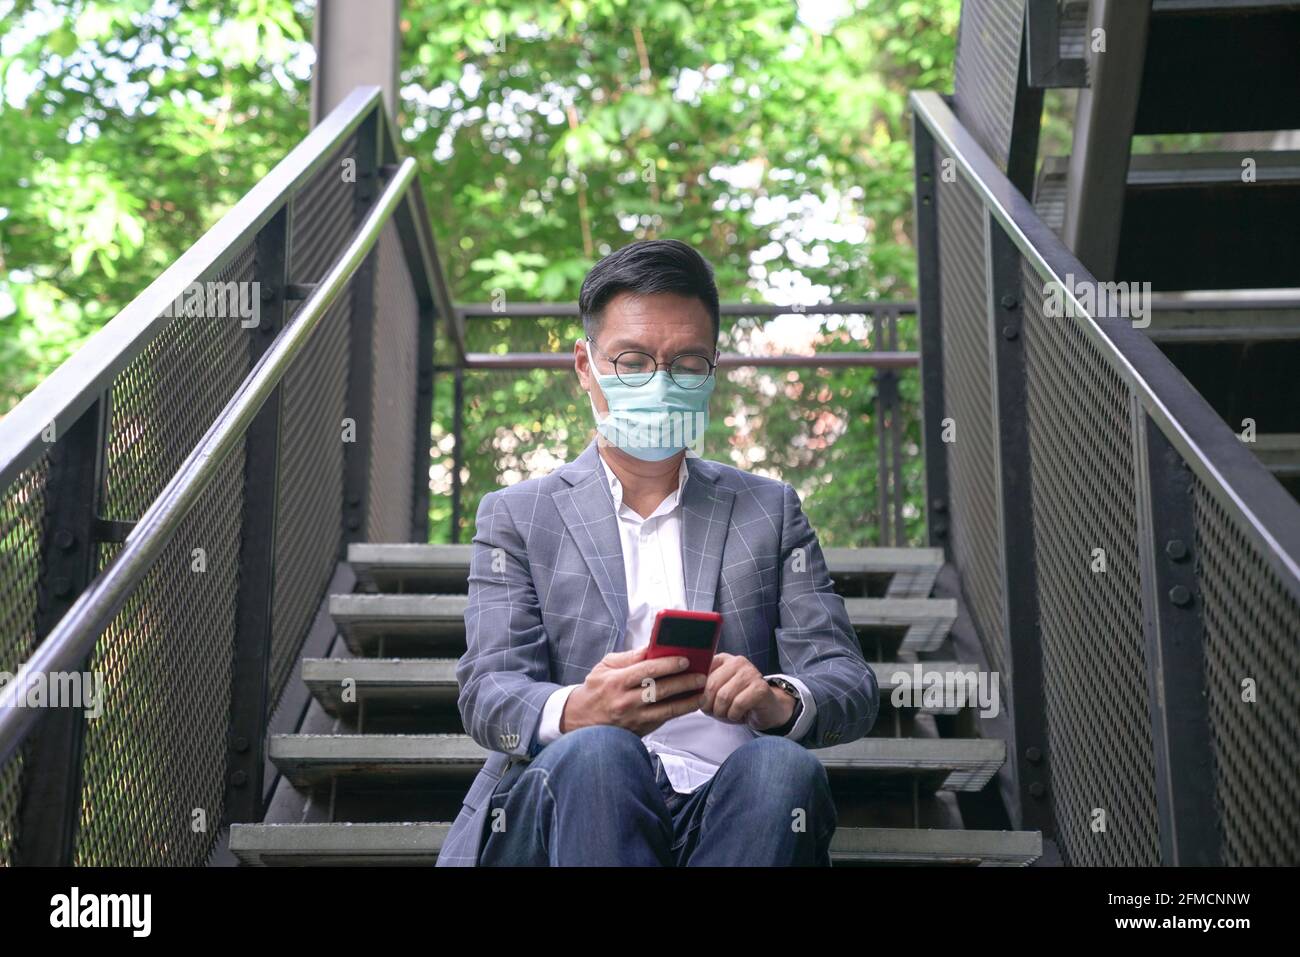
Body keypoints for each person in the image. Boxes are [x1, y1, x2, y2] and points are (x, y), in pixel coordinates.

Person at [435, 238, 879, 866]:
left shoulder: (769, 511)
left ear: (713, 371)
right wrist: (576, 710)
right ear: (586, 367)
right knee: (601, 752)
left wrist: (776, 699)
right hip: (568, 811)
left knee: (781, 768)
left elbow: (849, 684)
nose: (661, 382)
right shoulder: (517, 517)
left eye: (687, 362)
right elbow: (487, 693)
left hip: (730, 812)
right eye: (633, 361)